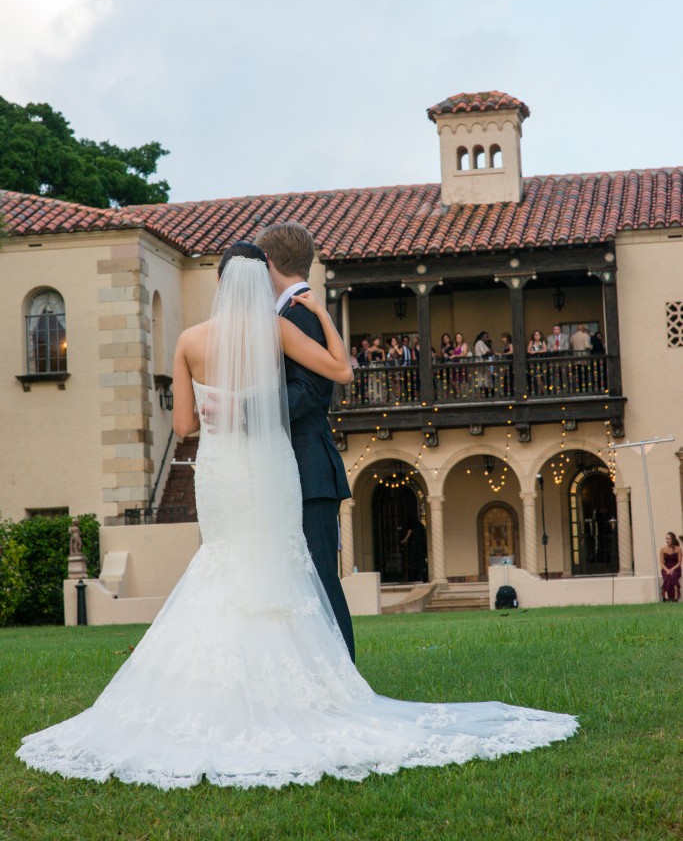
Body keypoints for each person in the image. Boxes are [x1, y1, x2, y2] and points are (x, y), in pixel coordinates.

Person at [17, 242, 578, 789]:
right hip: (267, 461)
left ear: (218, 284)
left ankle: (222, 693)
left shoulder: (189, 340)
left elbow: (183, 427)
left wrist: (221, 410)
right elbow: (342, 371)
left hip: (220, 465)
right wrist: (319, 314)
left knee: (223, 561)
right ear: (260, 285)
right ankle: (301, 688)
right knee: (281, 563)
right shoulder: (275, 329)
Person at [254, 221, 355, 660]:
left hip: (310, 467)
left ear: (270, 263)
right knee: (305, 577)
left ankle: (346, 675)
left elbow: (312, 391)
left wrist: (250, 408)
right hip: (296, 465)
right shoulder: (294, 312)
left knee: (321, 578)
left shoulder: (297, 314)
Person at [660, 531, 681, 602]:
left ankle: (675, 596)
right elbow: (662, 563)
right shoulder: (662, 550)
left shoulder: (678, 549)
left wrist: (672, 569)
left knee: (673, 575)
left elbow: (679, 562)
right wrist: (666, 570)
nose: (667, 540)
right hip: (666, 568)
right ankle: (666, 596)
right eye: (666, 538)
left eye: (669, 538)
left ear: (673, 539)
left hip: (676, 568)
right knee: (667, 575)